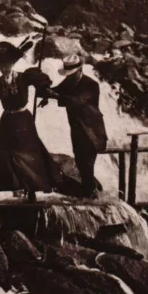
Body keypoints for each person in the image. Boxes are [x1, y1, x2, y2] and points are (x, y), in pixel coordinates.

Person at [0, 41, 62, 205]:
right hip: (7, 120)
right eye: (1, 66)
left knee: (28, 154)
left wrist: (43, 87)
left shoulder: (23, 77)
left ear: (12, 64)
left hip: (23, 120)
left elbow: (42, 82)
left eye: (7, 65)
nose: (4, 69)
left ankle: (32, 191)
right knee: (0, 155)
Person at [39, 55, 108, 198]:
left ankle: (91, 195)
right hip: (77, 130)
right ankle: (90, 194)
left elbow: (78, 101)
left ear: (80, 70)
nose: (69, 76)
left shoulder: (91, 85)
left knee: (86, 165)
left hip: (92, 132)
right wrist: (45, 91)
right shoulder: (70, 81)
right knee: (80, 162)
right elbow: (56, 90)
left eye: (72, 73)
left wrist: (55, 96)